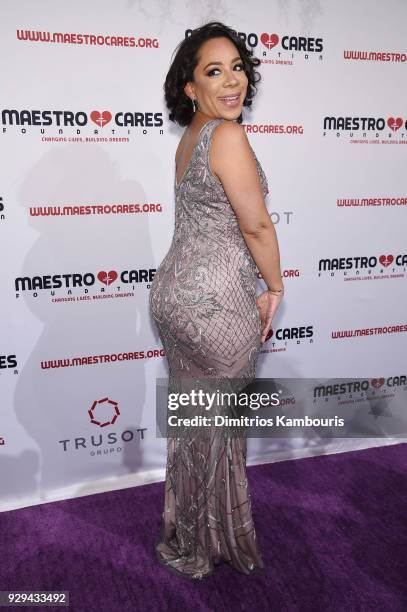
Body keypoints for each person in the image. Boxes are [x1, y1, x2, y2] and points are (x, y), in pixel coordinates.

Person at [149, 21, 284, 580]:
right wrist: (274, 287)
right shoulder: (226, 136)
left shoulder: (191, 140)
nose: (232, 82)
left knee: (195, 424)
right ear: (190, 87)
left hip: (174, 298)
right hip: (215, 304)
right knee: (221, 426)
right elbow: (254, 227)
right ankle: (215, 540)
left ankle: (188, 531)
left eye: (237, 68)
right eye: (213, 71)